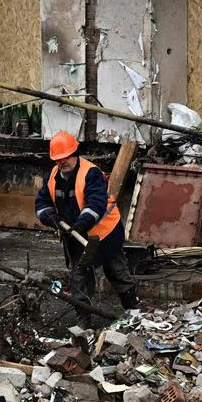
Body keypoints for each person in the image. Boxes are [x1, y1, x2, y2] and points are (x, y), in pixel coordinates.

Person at [35, 131, 138, 327]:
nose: (62, 162)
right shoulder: (52, 177)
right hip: (75, 238)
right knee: (79, 279)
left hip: (105, 234)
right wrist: (51, 217)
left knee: (117, 271)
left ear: (75, 153)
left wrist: (81, 223)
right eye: (58, 159)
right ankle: (84, 325)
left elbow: (96, 204)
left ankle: (134, 312)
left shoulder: (91, 173)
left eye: (66, 157)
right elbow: (42, 203)